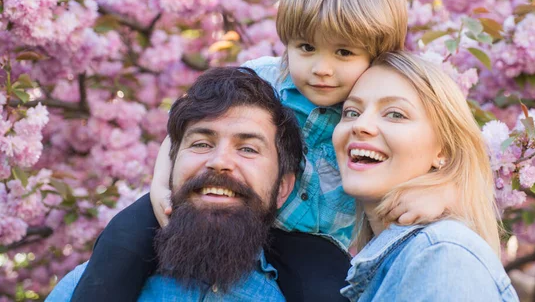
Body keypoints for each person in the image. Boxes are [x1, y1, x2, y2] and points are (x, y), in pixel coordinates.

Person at [70, 0, 454, 301]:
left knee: (327, 289)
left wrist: (436, 195)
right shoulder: (262, 77)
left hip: (310, 237)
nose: (321, 68)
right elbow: (186, 124)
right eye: (306, 48)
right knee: (121, 242)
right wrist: (160, 183)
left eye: (343, 53)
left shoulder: (376, 109)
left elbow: (430, 153)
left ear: (378, 53)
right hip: (219, 201)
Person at [48, 67, 348, 301]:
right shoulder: (87, 287)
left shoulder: (319, 289)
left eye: (247, 149)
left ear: (283, 188)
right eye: (202, 143)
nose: (219, 162)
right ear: (170, 165)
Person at [333, 52, 519, 301]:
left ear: (442, 150)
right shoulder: (399, 261)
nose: (360, 124)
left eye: (395, 114)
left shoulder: (442, 254)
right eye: (352, 112)